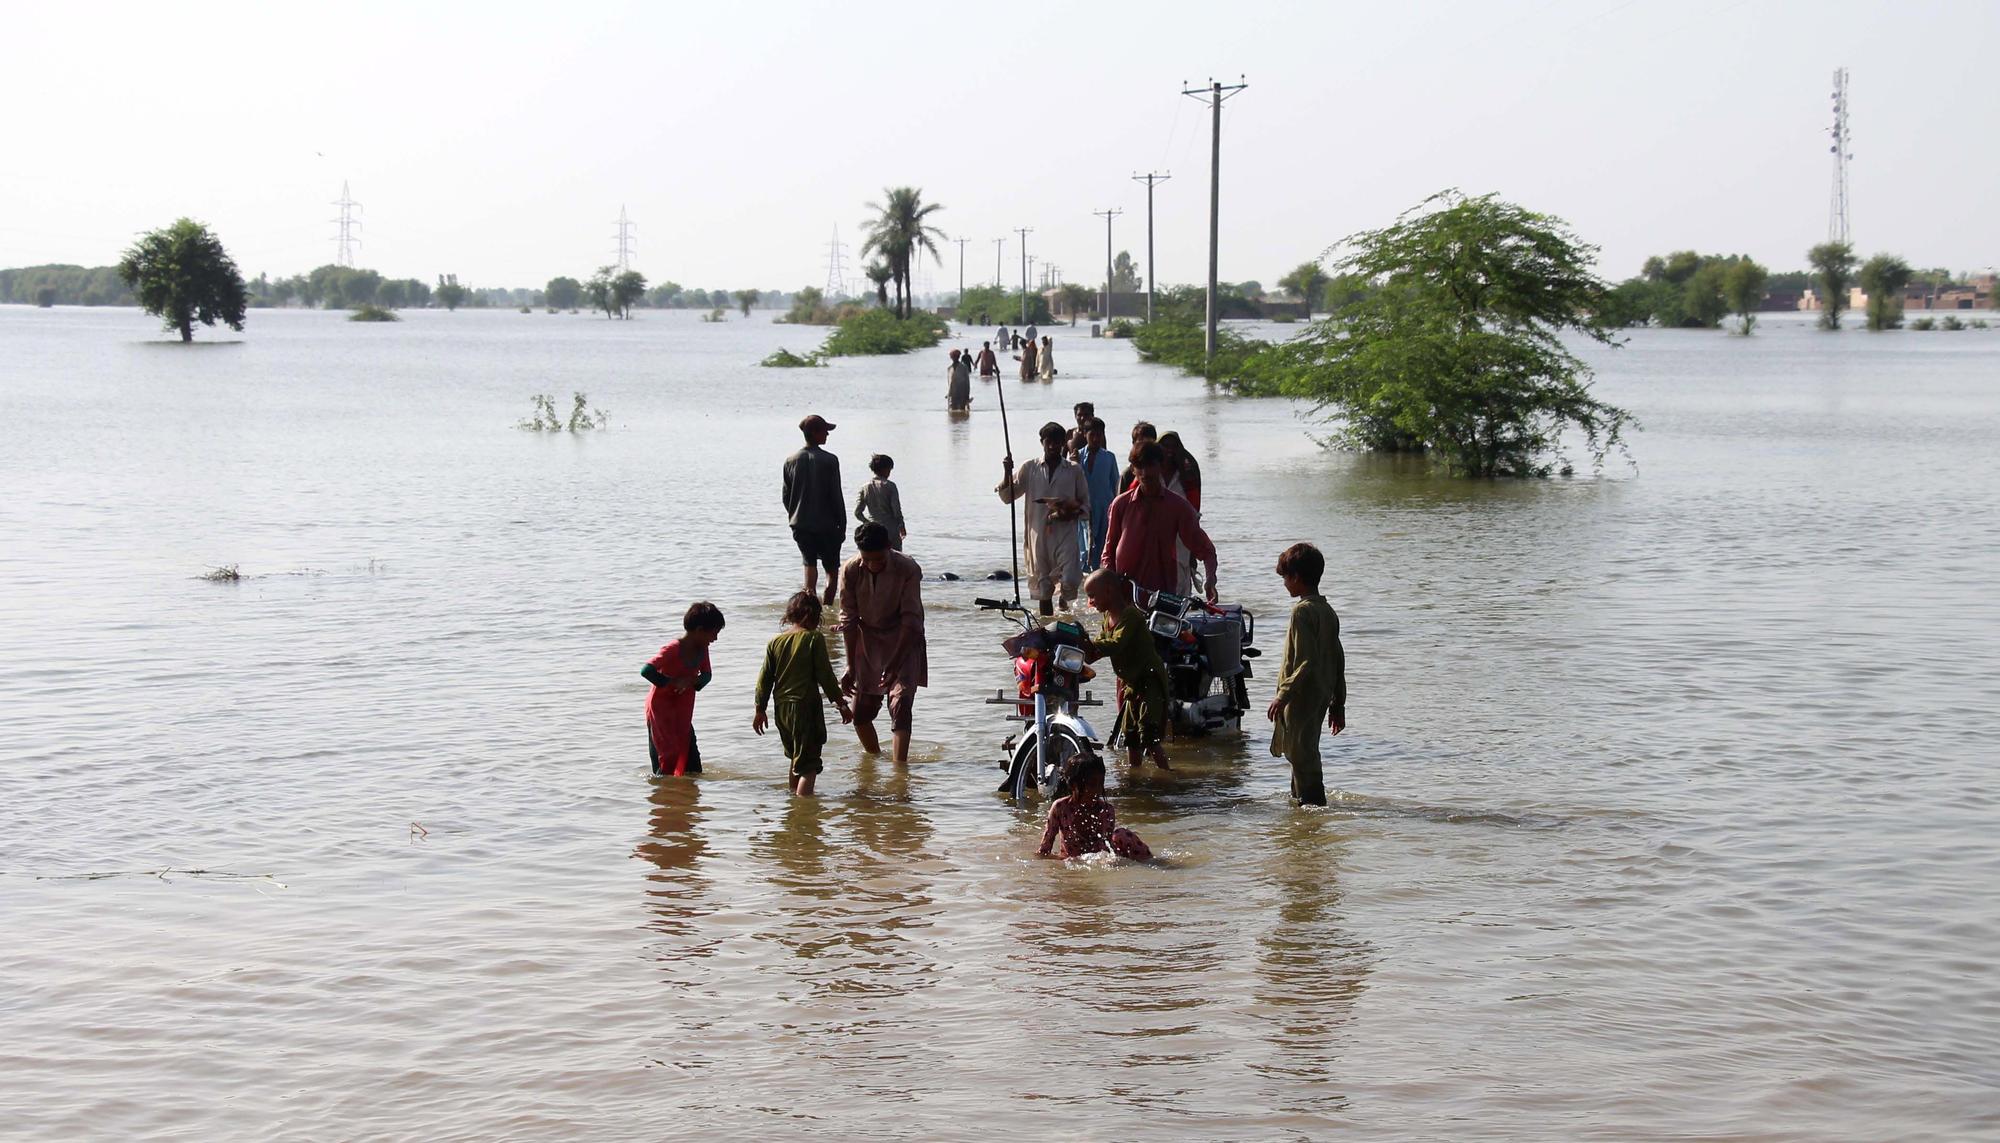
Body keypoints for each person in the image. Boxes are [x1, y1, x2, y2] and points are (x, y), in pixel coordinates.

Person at [838, 522, 928, 764]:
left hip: (904, 639)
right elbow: (848, 619)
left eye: (878, 559)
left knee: (900, 704)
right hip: (868, 642)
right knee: (860, 714)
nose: (872, 565)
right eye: (866, 559)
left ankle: (900, 771)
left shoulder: (907, 568)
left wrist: (895, 664)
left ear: (889, 548)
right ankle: (875, 761)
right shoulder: (850, 570)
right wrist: (850, 666)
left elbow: (911, 620)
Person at [1265, 543, 1347, 807]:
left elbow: (1305, 661)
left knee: (1301, 755)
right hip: (1321, 693)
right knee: (1302, 752)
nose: (1285, 584)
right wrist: (1338, 703)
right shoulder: (1327, 611)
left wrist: (1282, 695)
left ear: (1297, 578)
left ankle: (1312, 808)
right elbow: (1338, 659)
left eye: (1285, 578)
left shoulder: (1301, 611)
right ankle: (1300, 812)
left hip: (1301, 695)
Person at [753, 592, 853, 797]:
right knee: (809, 766)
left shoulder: (775, 642)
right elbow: (825, 675)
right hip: (805, 707)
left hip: (782, 710)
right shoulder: (813, 638)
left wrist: (760, 709)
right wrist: (841, 703)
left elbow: (764, 679)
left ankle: (793, 800)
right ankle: (803, 811)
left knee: (796, 759)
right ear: (813, 616)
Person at [1103, 442, 1218, 601]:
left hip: (1162, 595)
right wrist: (1110, 583)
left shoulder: (1178, 507)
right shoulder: (1120, 505)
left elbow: (1206, 550)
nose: (1145, 473)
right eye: (1139, 466)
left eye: (1150, 465)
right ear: (1133, 469)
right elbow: (1108, 552)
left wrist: (1210, 580)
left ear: (1161, 467)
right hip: (1124, 593)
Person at [1081, 568, 1172, 770]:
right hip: (1132, 684)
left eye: (1093, 596)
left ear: (1109, 591)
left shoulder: (1131, 616)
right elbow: (1099, 646)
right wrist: (1082, 648)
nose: (1091, 602)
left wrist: (1091, 644)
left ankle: (1167, 776)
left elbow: (1115, 644)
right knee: (1130, 735)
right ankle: (1135, 775)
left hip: (1149, 680)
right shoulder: (1107, 619)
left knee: (1149, 735)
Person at [996, 421, 1090, 615]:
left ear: (1064, 443)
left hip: (1065, 534)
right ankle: (1047, 626)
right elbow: (1007, 496)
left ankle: (1064, 602)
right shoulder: (1030, 468)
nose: (1053, 446)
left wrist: (1066, 511)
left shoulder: (1074, 470)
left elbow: (1086, 507)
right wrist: (1007, 472)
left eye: (1057, 442)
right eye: (1049, 442)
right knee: (1043, 586)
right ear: (1042, 442)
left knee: (1071, 579)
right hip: (1038, 535)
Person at [641, 602, 725, 777]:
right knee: (665, 756)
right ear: (699, 630)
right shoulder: (673, 649)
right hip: (660, 711)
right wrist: (673, 682)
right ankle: (664, 789)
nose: (715, 639)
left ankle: (687, 797)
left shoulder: (702, 650)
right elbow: (647, 670)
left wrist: (693, 681)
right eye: (714, 633)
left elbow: (707, 676)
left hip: (682, 709)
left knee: (691, 758)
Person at [1037, 754, 1153, 860]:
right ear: (1074, 785)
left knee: (1121, 834)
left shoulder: (1106, 810)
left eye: (1101, 783)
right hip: (1072, 860)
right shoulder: (1060, 808)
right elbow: (1044, 849)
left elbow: (1105, 852)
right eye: (1092, 784)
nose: (1097, 790)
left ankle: (1150, 861)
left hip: (1098, 859)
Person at [782, 414, 844, 605]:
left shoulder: (791, 460)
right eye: (825, 431)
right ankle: (826, 608)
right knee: (832, 570)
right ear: (815, 433)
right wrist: (842, 525)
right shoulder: (830, 460)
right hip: (827, 526)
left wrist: (795, 516)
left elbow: (786, 496)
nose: (827, 434)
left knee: (809, 565)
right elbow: (836, 496)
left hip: (801, 525)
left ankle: (809, 611)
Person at [1076, 417, 1120, 570]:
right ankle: (1085, 575)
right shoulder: (1077, 457)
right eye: (1092, 435)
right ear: (1085, 435)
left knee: (1102, 547)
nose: (1095, 439)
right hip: (1083, 510)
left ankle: (1098, 577)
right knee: (1083, 548)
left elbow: (1116, 487)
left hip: (1105, 510)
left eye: (1099, 435)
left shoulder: (1109, 457)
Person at [853, 453, 907, 551]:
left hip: (873, 532)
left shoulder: (865, 487)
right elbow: (896, 510)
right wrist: (901, 526)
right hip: (890, 530)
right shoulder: (890, 486)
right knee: (895, 560)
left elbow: (857, 513)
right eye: (890, 470)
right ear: (885, 469)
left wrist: (868, 523)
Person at [1118, 420, 1159, 495]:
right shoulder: (1128, 475)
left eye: (1149, 441)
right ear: (1134, 443)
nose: (1145, 446)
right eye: (1141, 441)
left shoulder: (1160, 468)